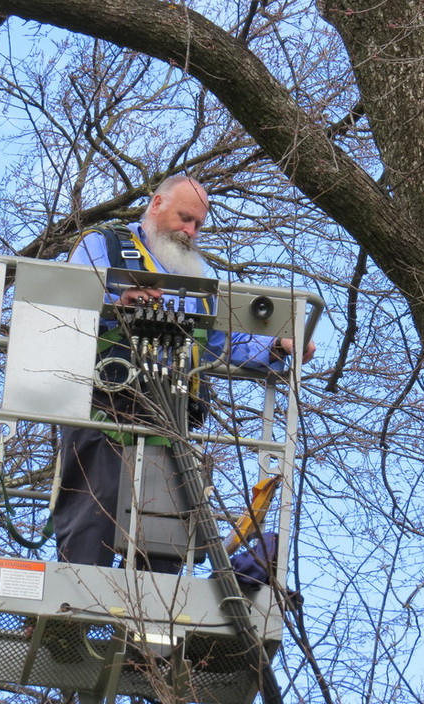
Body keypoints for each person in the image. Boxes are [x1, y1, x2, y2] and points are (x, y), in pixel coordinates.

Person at [53, 176, 314, 571]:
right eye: (185, 218)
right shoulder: (103, 243)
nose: (190, 232)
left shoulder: (198, 274)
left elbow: (226, 343)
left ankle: (149, 625)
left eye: (198, 225)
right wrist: (118, 300)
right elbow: (68, 299)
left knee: (165, 525)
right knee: (96, 504)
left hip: (173, 412)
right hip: (104, 399)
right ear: (157, 204)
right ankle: (70, 614)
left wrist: (278, 347)